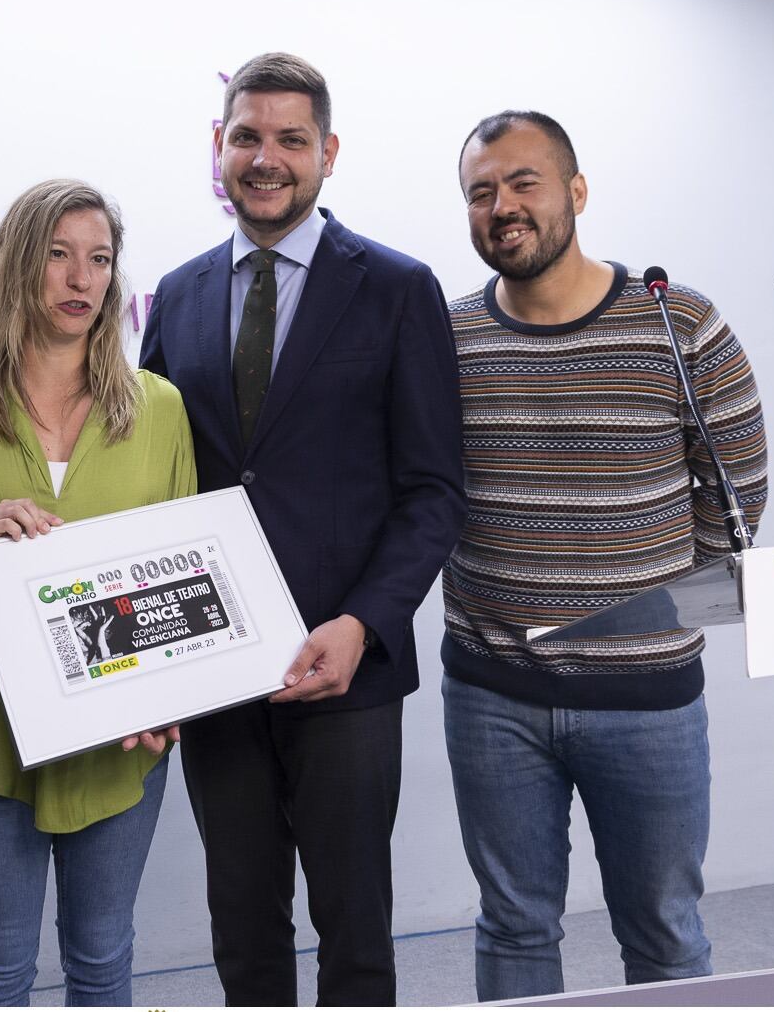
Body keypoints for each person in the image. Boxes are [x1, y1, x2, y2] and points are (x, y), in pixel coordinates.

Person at [140, 53, 466, 1005]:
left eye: (291, 139)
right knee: (241, 929)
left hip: (346, 665)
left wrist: (363, 622)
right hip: (214, 663)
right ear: (219, 147)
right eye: (247, 136)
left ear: (328, 153)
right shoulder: (179, 292)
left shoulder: (398, 289)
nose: (266, 158)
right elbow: (163, 479)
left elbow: (435, 490)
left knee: (355, 931)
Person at [441, 110, 770, 1000]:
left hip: (649, 701)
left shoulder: (681, 324)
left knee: (664, 934)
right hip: (492, 695)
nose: (501, 206)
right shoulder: (446, 338)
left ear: (576, 193)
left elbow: (736, 504)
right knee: (513, 927)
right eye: (480, 191)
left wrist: (647, 606)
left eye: (523, 183)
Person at [0, 178, 195, 1006]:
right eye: (58, 255)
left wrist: (173, 693)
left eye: (99, 260)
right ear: (17, 266)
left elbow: (190, 578)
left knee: (104, 961)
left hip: (120, 744)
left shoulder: (157, 408)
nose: (81, 278)